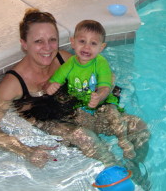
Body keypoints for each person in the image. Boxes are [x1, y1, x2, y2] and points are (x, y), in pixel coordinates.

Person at [0, 8, 149, 172]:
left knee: (137, 126)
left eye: (52, 40)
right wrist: (26, 150)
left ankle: (136, 168)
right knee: (85, 137)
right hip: (50, 122)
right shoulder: (13, 83)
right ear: (24, 44)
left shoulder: (63, 59)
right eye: (38, 41)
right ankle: (121, 176)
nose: (47, 48)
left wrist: (101, 94)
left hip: (77, 112)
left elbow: (104, 77)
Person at [46, 19, 136, 159]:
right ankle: (101, 145)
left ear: (101, 47)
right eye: (82, 41)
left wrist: (99, 96)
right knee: (81, 121)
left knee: (112, 113)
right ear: (73, 42)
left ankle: (123, 140)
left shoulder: (100, 63)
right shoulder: (69, 64)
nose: (87, 47)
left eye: (93, 43)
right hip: (81, 102)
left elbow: (105, 86)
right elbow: (53, 81)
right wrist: (51, 86)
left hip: (104, 100)